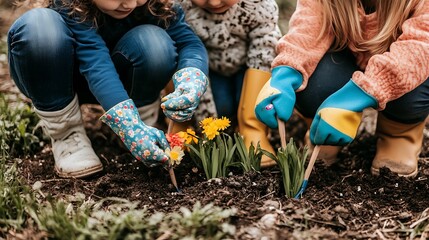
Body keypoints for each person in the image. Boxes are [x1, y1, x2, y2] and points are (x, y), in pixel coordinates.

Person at [7, 0, 209, 178]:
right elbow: (96, 62)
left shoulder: (156, 4)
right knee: (39, 28)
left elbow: (188, 42)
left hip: (124, 80)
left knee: (155, 43)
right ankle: (67, 134)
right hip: (60, 79)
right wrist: (127, 123)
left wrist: (192, 77)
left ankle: (142, 121)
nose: (130, 4)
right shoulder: (71, 4)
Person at [255, 0, 429, 177]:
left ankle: (399, 135)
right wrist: (286, 74)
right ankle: (324, 131)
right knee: (315, 87)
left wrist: (355, 96)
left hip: (409, 62)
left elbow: (421, 45)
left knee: (412, 91)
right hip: (346, 56)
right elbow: (308, 27)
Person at [178, 0, 282, 168]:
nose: (214, 2)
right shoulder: (181, 6)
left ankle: (252, 129)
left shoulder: (258, 5)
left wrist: (251, 123)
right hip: (209, 72)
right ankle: (184, 125)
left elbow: (264, 51)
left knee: (257, 100)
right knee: (223, 109)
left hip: (249, 68)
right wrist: (206, 123)